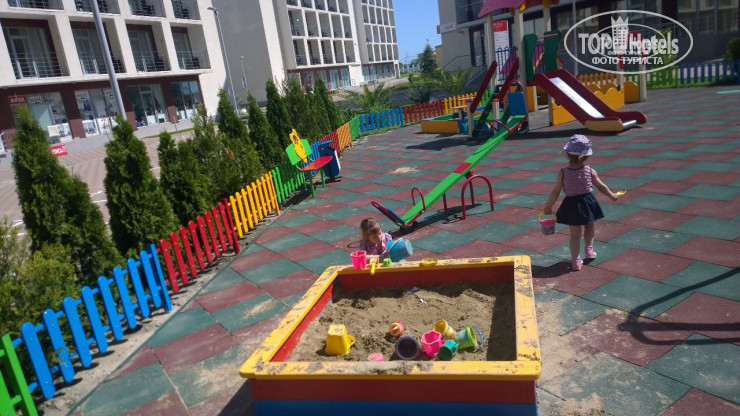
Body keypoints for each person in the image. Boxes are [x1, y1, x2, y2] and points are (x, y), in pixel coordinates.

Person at [542, 135, 621, 271]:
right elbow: (601, 186)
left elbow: (555, 192)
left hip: (571, 205)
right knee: (589, 227)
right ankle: (589, 250)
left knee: (575, 235)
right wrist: (612, 195)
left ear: (567, 154)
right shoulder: (590, 170)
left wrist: (548, 207)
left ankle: (576, 261)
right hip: (587, 203)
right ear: (586, 156)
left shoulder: (563, 173)